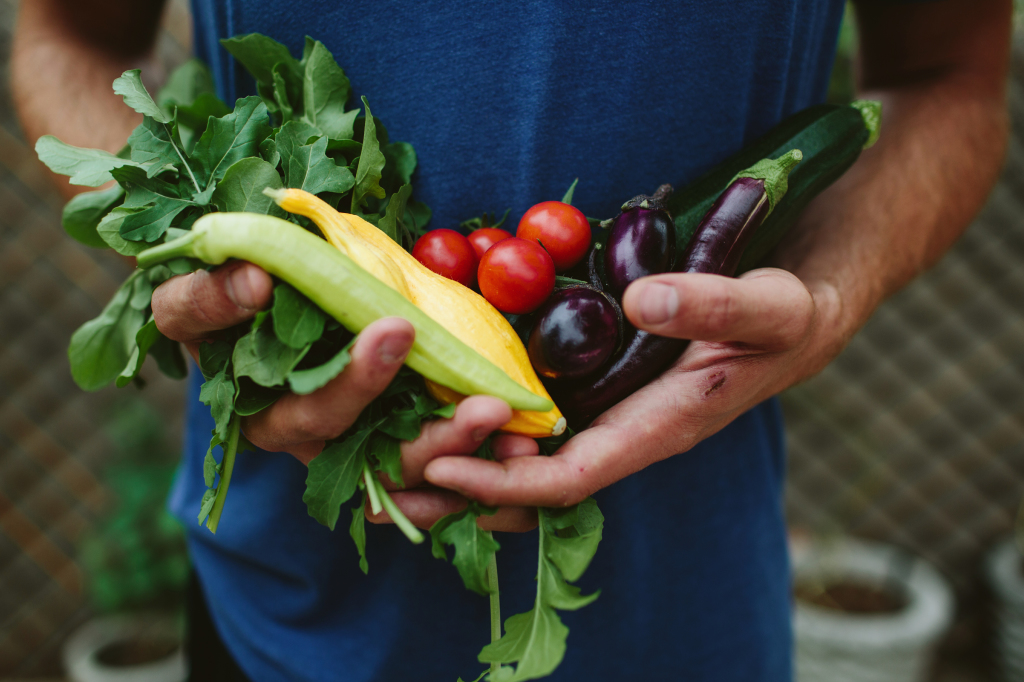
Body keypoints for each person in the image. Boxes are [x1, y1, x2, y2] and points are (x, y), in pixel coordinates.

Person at [13, 1, 1011, 680]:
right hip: (278, 623)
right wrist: (199, 260)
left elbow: (946, 79)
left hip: (688, 617)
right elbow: (64, 32)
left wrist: (830, 294)